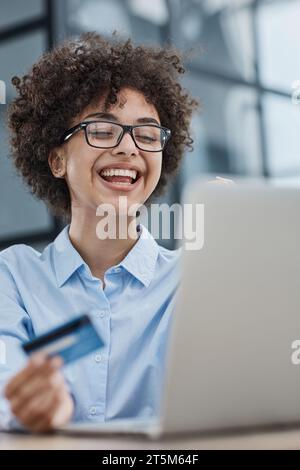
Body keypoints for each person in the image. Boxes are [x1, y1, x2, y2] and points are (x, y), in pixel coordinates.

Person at [0, 33, 198, 432]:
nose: (128, 149)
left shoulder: (193, 279)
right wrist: (30, 408)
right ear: (56, 159)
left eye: (146, 134)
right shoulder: (14, 277)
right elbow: (7, 384)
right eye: (103, 131)